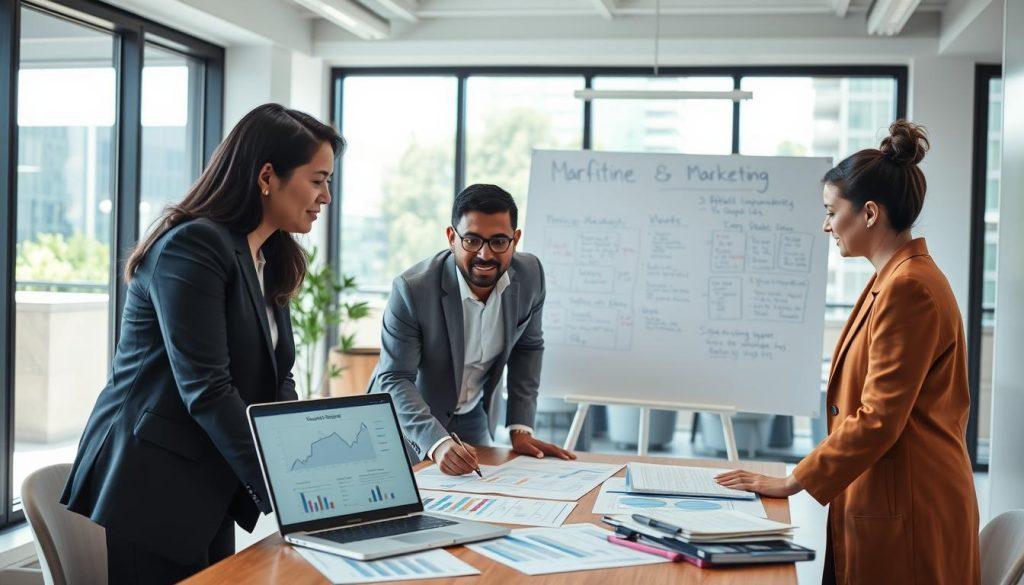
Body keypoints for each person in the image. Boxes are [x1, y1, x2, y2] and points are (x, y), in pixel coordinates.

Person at [59, 104, 344, 583]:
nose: (326, 197)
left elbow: (277, 379)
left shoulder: (268, 255)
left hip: (208, 483)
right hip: (152, 486)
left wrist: (307, 465)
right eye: (317, 180)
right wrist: (288, 488)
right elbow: (207, 388)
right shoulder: (193, 246)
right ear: (268, 176)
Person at [715, 120, 980, 585]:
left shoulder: (909, 288)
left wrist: (794, 480)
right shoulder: (893, 278)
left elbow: (878, 417)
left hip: (912, 505)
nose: (825, 224)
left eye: (831, 211)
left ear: (870, 214)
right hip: (890, 492)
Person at [368, 184, 575, 475]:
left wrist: (520, 427)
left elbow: (528, 348)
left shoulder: (531, 276)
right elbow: (396, 377)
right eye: (472, 240)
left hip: (472, 415)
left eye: (499, 241)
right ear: (452, 238)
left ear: (515, 240)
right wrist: (437, 443)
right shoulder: (412, 290)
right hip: (408, 421)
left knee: (486, 497)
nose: (485, 255)